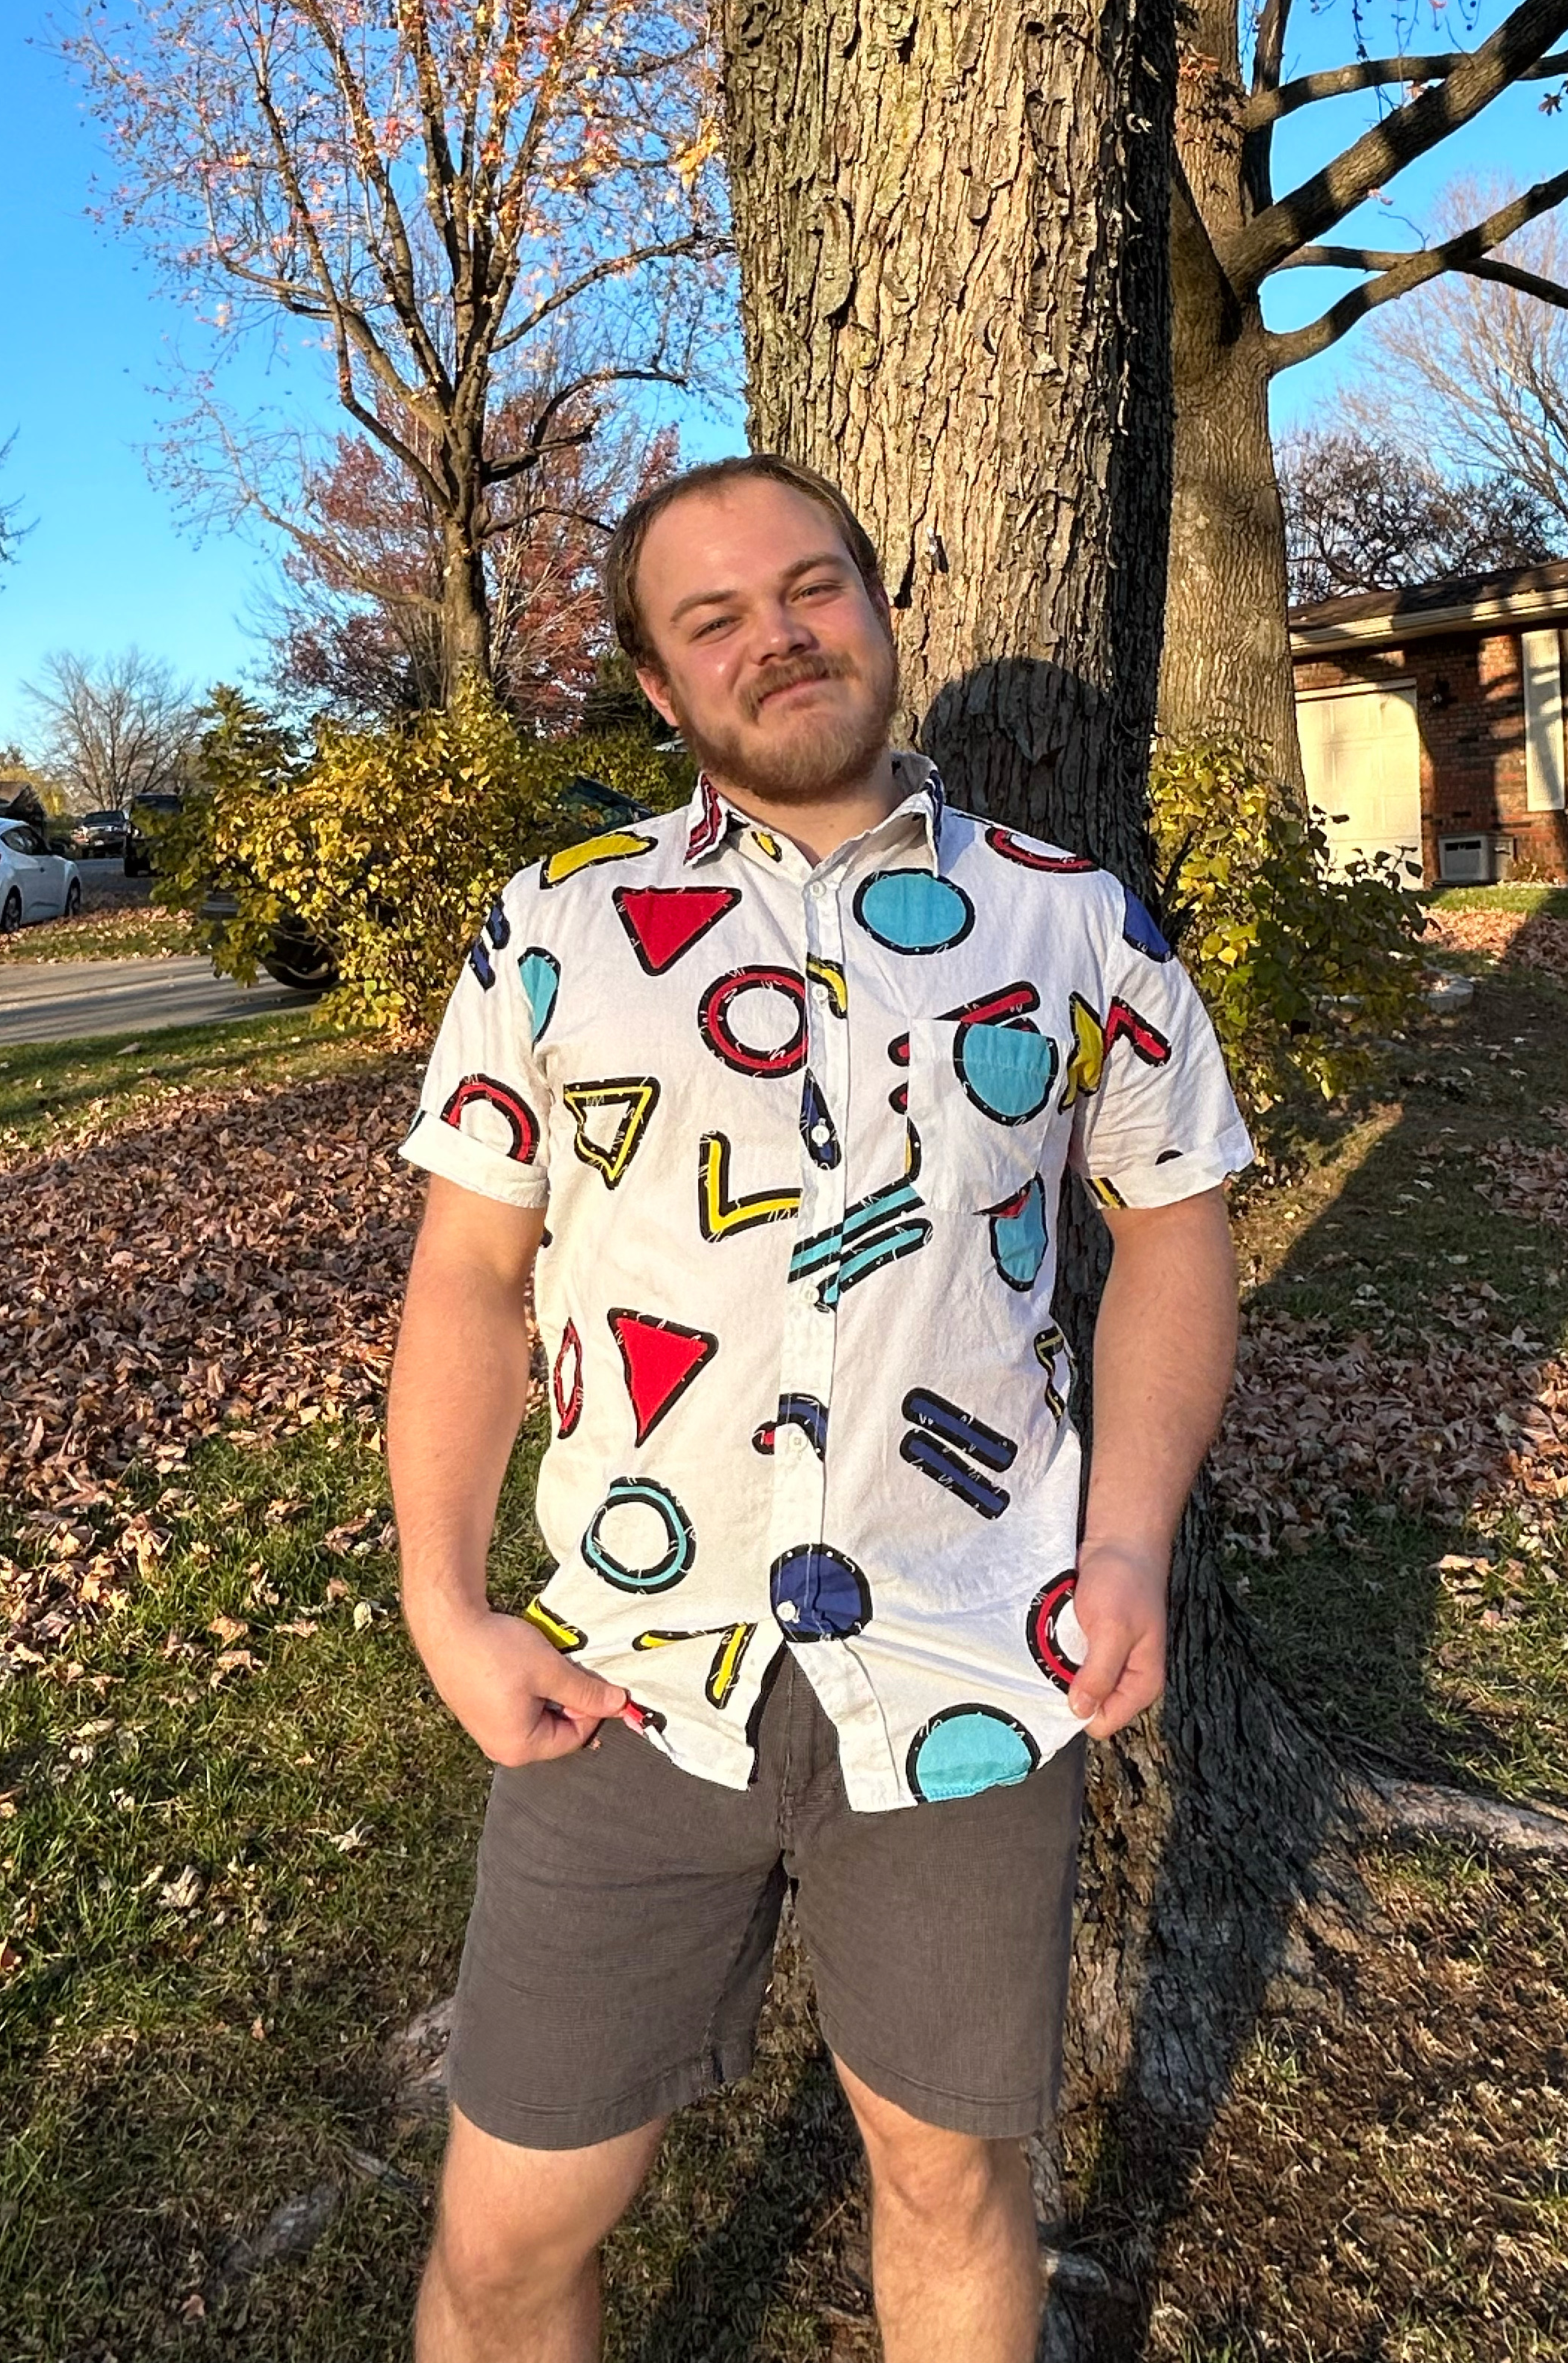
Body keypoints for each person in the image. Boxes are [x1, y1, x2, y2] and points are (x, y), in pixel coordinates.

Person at [390, 455, 1251, 2363]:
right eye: (714, 619)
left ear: (875, 603)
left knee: (951, 2189)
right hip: (624, 1677)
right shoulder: (552, 930)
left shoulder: (1071, 925)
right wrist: (447, 1607)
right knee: (511, 2231)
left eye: (811, 588)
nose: (777, 636)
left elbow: (1176, 1225)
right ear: (655, 681)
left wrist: (1125, 1547)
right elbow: (464, 1278)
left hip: (968, 1662)